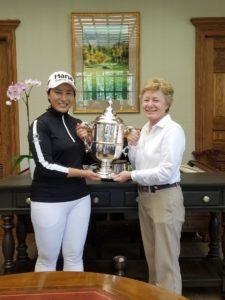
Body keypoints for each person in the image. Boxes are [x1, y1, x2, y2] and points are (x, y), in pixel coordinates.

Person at [113, 77, 185, 295]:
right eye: (146, 100)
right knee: (153, 260)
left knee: (166, 264)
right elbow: (139, 162)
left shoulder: (172, 130)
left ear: (167, 103)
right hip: (145, 198)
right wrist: (133, 144)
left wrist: (130, 175)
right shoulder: (145, 128)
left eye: (155, 99)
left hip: (165, 198)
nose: (150, 104)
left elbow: (165, 171)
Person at [28, 71, 101, 272]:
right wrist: (82, 173)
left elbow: (88, 159)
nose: (64, 98)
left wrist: (87, 141)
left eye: (69, 93)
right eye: (58, 92)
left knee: (75, 257)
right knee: (47, 258)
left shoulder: (76, 124)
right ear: (48, 93)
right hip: (49, 200)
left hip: (79, 199)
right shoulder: (39, 124)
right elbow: (45, 165)